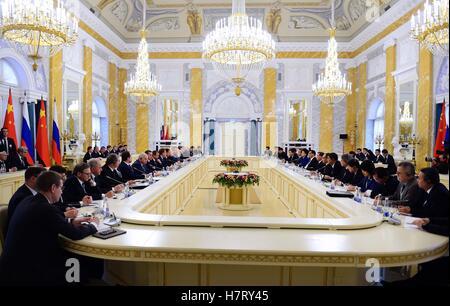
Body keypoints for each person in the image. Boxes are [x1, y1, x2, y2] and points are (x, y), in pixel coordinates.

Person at [0, 171, 98, 285]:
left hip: (14, 263)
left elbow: (49, 220)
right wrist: (94, 225)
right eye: (61, 187)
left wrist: (71, 222)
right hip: (28, 270)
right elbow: (74, 234)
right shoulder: (45, 208)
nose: (62, 192)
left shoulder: (30, 200)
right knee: (78, 261)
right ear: (53, 188)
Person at [6, 167, 46, 232]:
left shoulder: (34, 192)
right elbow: (34, 219)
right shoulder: (22, 197)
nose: (45, 182)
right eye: (43, 179)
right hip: (20, 236)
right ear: (33, 179)